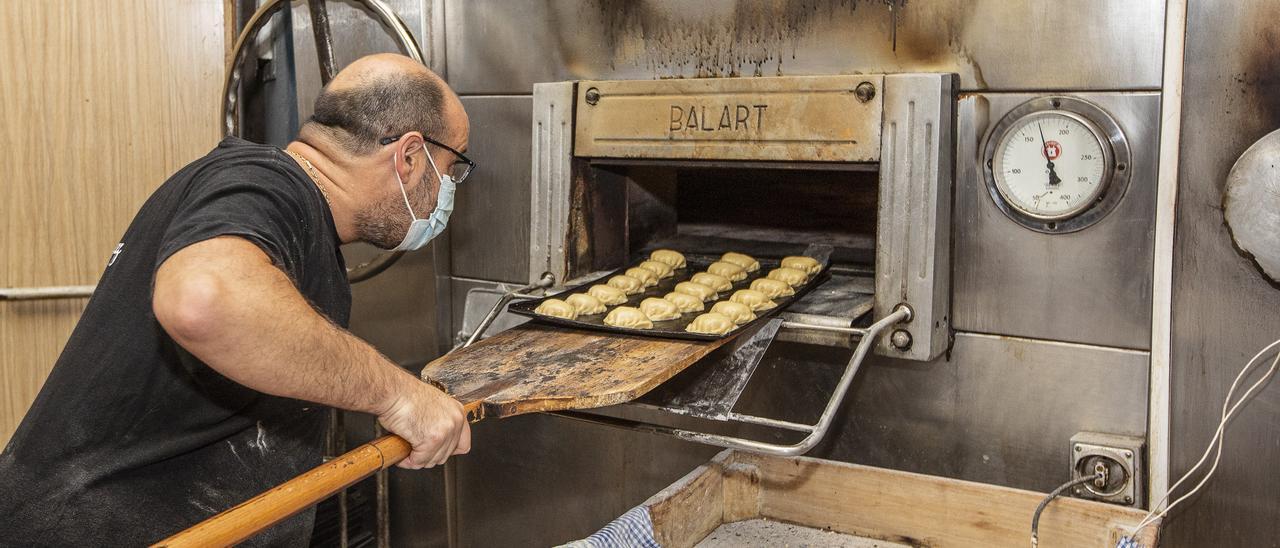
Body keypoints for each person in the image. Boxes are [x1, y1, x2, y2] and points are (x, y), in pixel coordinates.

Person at [0, 53, 474, 546]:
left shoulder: (293, 213)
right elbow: (203, 300)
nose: (448, 192)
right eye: (452, 170)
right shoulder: (265, 182)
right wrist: (398, 395)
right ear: (410, 156)